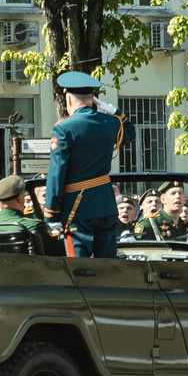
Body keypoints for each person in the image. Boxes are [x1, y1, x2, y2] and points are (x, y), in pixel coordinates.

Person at [45, 71, 123, 257]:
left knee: (79, 272)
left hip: (77, 209)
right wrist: (116, 112)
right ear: (93, 98)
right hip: (106, 204)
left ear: (68, 99)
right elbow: (130, 132)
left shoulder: (63, 128)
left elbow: (57, 173)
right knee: (108, 267)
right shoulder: (111, 123)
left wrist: (51, 213)